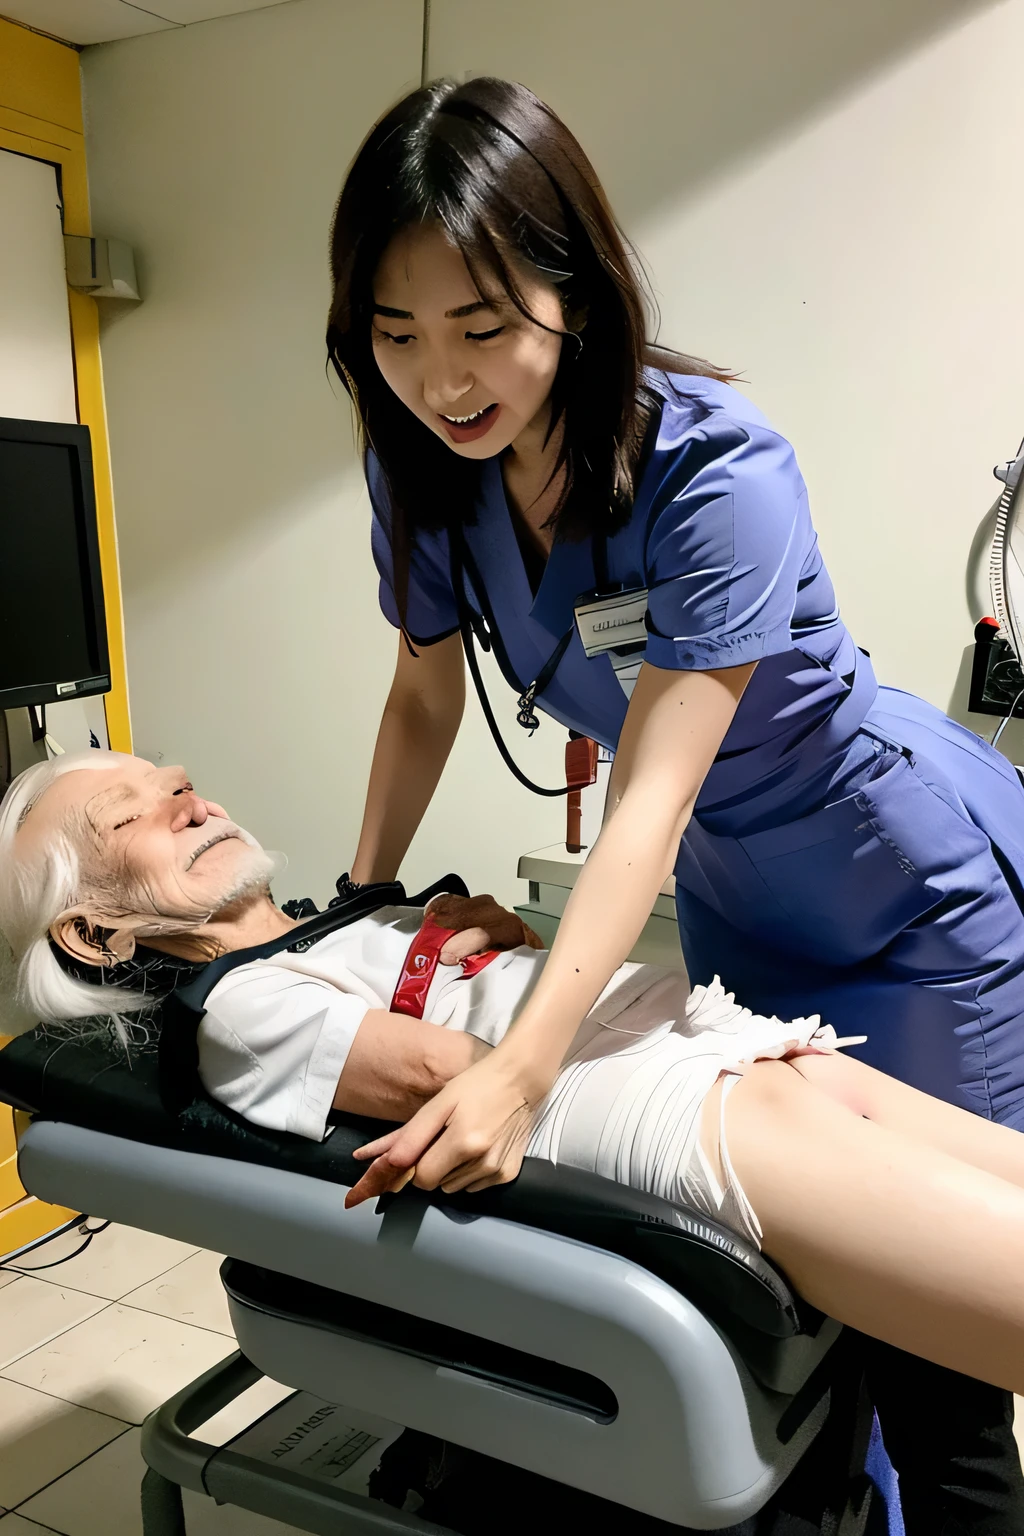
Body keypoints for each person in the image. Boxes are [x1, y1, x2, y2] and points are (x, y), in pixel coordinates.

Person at [325, 76, 1024, 1531]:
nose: (442, 380)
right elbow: (421, 696)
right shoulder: (431, 474)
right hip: (731, 893)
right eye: (396, 334)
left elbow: (651, 778)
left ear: (572, 293)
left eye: (481, 326)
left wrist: (521, 1072)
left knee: (940, 1332)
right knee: (789, 1281)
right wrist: (359, 900)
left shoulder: (715, 467)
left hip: (897, 889)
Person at [4, 749, 1024, 1412]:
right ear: (97, 930)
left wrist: (477, 944)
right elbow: (456, 1074)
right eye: (126, 815)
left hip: (728, 1050)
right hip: (679, 1111)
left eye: (175, 780)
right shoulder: (234, 1009)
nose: (184, 795)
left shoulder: (343, 924)